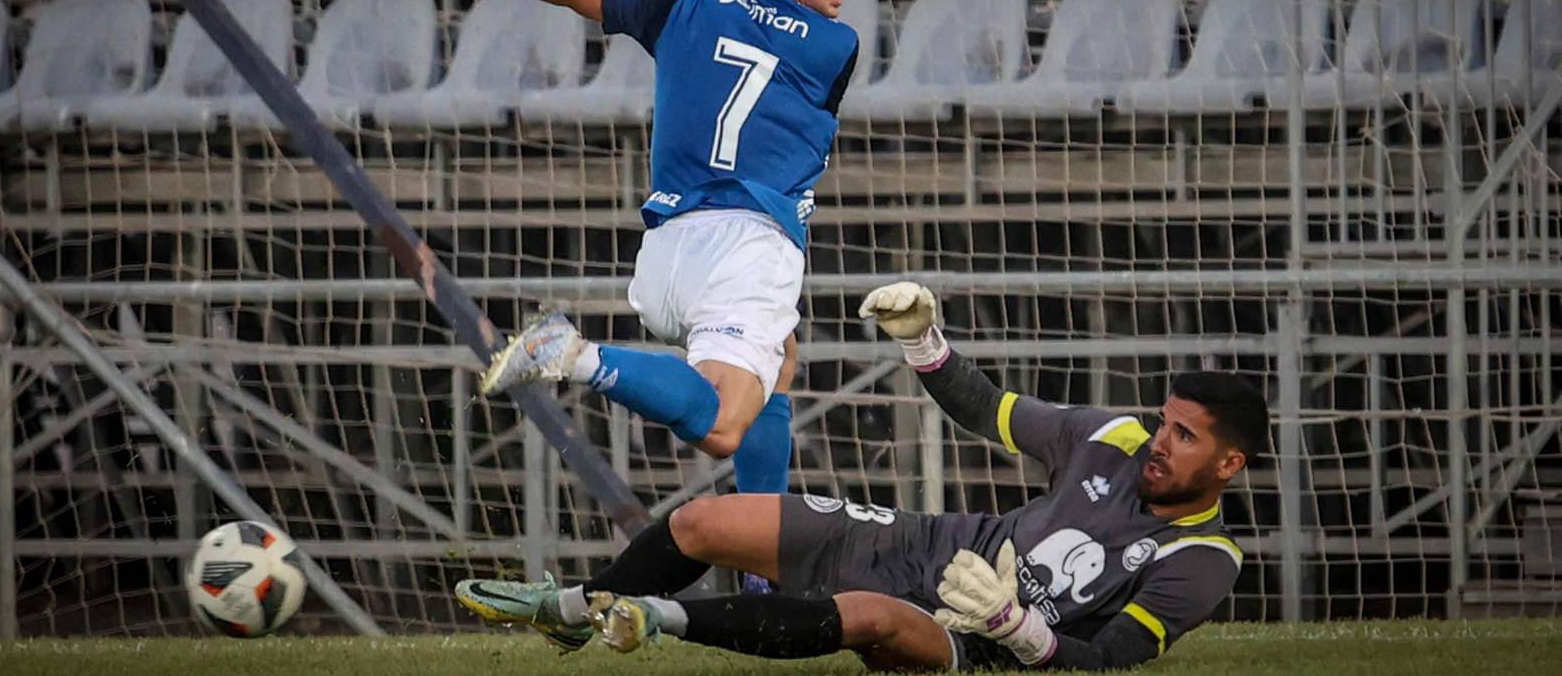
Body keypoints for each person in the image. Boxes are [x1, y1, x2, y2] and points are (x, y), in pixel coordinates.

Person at [392, 0, 862, 600]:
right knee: (724, 423)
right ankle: (574, 354)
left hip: (666, 252)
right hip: (747, 245)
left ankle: (764, 576)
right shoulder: (836, 44)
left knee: (781, 356)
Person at [453, 280, 1270, 670]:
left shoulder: (1205, 558)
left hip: (983, 646)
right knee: (706, 522)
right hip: (934, 544)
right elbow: (987, 409)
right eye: (1164, 420)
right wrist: (924, 342)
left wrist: (1015, 625)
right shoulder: (1115, 436)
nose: (1160, 440)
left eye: (1184, 436)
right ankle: (573, 611)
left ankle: (652, 617)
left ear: (1228, 463)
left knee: (871, 616)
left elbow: (1113, 661)